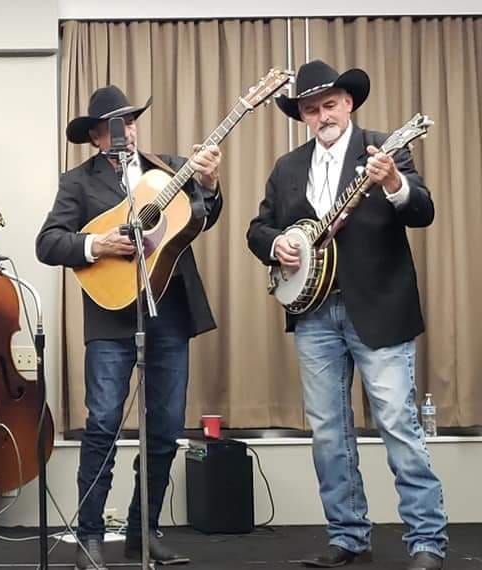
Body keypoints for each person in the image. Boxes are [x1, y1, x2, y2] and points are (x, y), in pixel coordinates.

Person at [246, 60, 447, 570]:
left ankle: (427, 541)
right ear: (303, 116)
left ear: (349, 103)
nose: (322, 115)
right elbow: (258, 228)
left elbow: (422, 210)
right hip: (314, 313)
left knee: (398, 424)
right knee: (328, 432)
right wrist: (277, 245)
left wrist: (394, 182)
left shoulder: (385, 149)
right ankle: (348, 536)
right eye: (312, 109)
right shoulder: (288, 167)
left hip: (379, 307)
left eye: (330, 104)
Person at [36, 85, 223, 569]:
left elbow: (201, 218)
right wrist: (96, 245)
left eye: (131, 121)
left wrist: (209, 185)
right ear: (96, 137)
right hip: (110, 313)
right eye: (114, 126)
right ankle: (89, 535)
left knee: (164, 428)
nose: (127, 131)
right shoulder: (78, 183)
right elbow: (48, 243)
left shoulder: (169, 169)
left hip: (170, 311)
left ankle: (143, 532)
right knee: (102, 422)